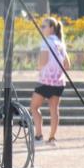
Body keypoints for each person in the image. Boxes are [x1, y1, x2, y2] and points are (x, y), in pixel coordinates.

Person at [30, 17, 70, 146]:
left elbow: (43, 60)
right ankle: (52, 138)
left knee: (34, 107)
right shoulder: (60, 42)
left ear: (51, 28)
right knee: (54, 110)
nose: (42, 28)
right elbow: (67, 64)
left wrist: (39, 68)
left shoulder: (45, 41)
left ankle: (39, 135)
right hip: (58, 82)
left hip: (45, 80)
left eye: (44, 26)